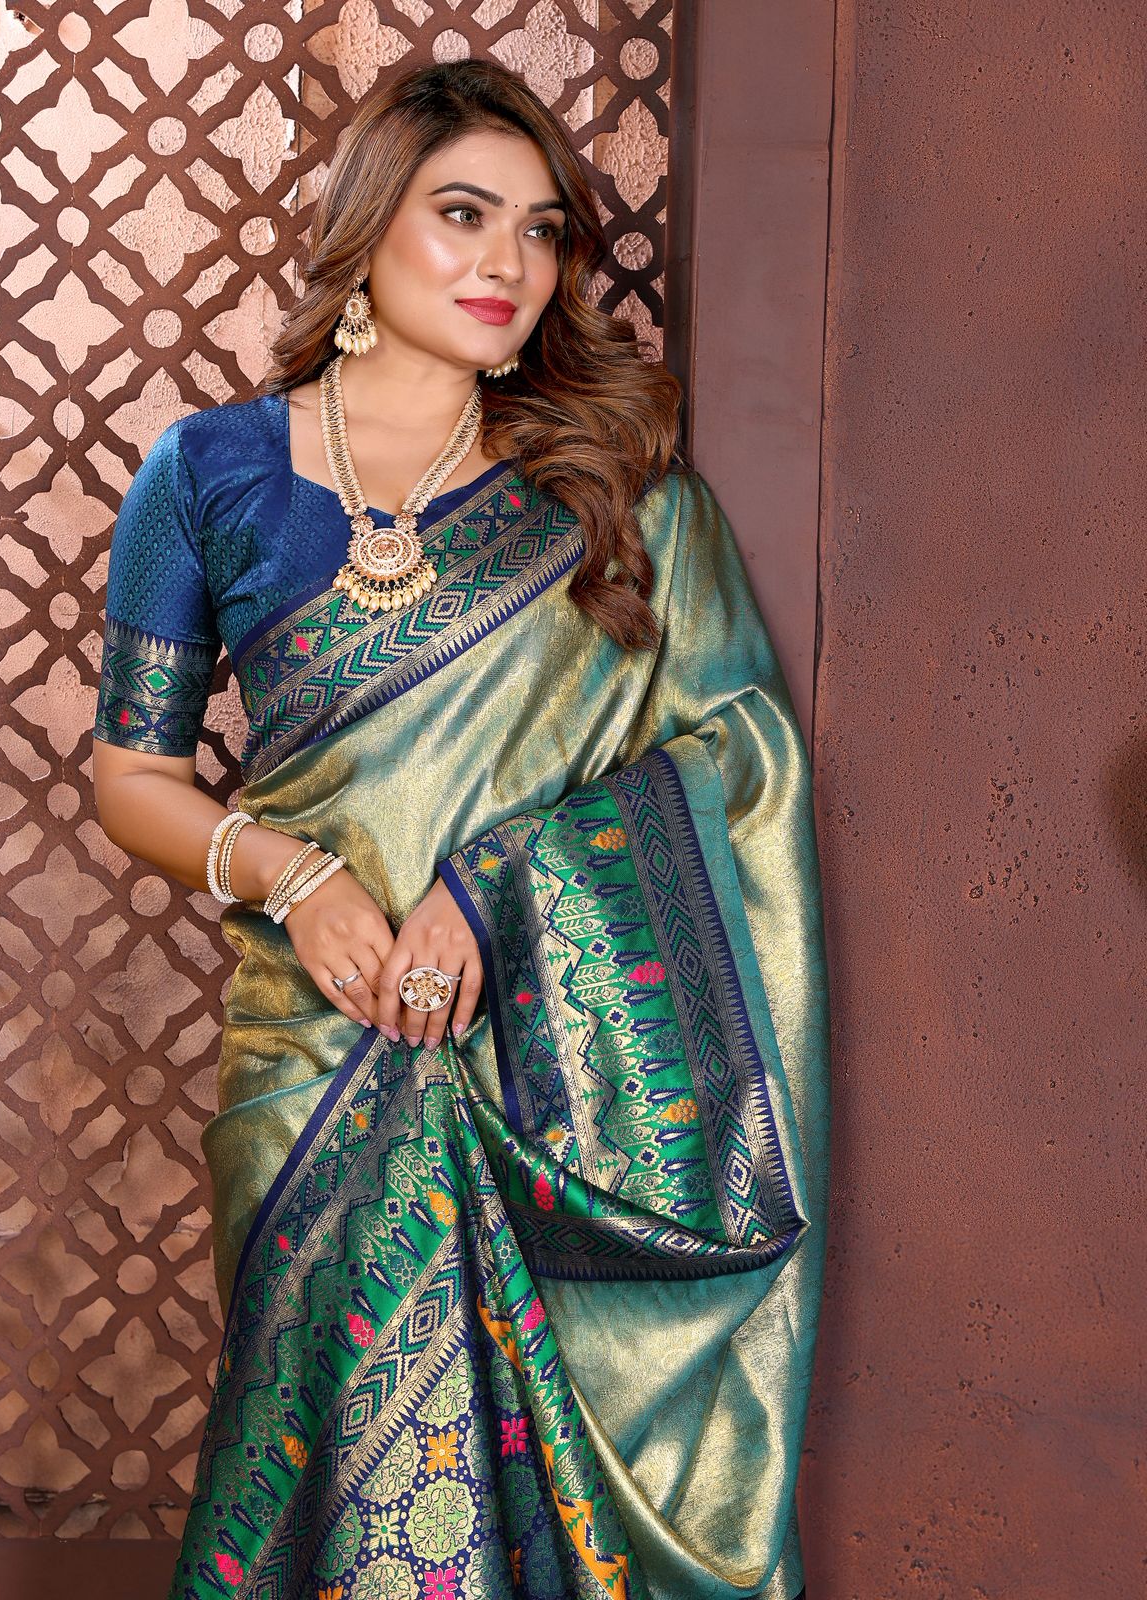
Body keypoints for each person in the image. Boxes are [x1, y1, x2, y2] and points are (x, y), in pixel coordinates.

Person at [90, 56, 829, 1600]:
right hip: (315, 1044)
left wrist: (496, 896)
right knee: (322, 1420)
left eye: (542, 229)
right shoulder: (211, 475)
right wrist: (294, 882)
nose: (509, 263)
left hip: (544, 1069)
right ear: (369, 233)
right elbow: (131, 774)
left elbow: (734, 752)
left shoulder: (615, 491)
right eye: (464, 215)